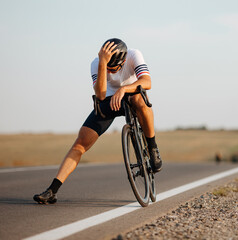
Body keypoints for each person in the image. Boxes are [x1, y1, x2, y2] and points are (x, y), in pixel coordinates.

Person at [33, 38, 162, 204]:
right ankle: (52, 190)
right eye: (108, 67)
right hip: (108, 101)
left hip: (131, 94)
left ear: (123, 61)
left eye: (114, 68)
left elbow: (147, 82)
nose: (110, 71)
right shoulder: (96, 63)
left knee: (141, 101)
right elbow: (101, 94)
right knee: (80, 144)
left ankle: (152, 148)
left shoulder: (134, 55)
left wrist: (123, 89)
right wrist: (103, 62)